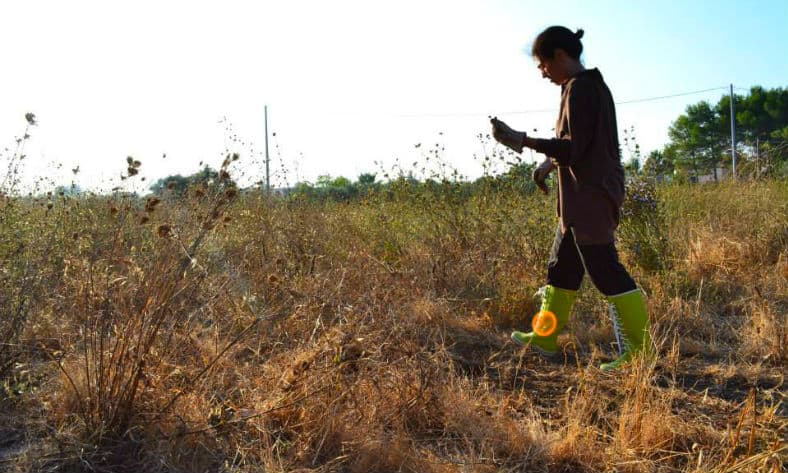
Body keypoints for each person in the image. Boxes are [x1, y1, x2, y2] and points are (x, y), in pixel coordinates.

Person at [490, 26, 652, 371]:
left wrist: (524, 141)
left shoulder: (582, 89)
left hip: (591, 197)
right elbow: (581, 143)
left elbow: (575, 149)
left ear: (560, 56)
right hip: (579, 199)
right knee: (561, 270)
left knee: (606, 271)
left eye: (543, 63)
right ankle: (545, 336)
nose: (541, 71)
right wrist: (548, 164)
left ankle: (639, 353)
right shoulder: (579, 88)